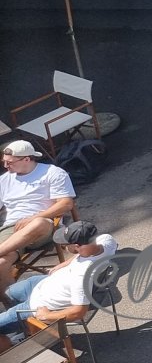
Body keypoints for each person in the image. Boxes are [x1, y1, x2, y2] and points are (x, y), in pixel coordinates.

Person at [0, 220, 117, 337]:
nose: (63, 246)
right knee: (7, 294)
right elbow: (87, 253)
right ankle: (24, 328)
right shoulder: (106, 242)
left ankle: (27, 333)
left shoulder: (82, 276)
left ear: (77, 246)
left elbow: (79, 311)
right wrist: (64, 264)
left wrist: (46, 316)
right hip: (43, 283)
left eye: (65, 244)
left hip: (38, 305)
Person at [0, 143, 75, 287]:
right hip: (12, 228)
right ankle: (13, 300)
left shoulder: (52, 173)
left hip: (43, 227)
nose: (5, 166)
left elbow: (66, 203)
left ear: (27, 159)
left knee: (38, 223)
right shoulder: (4, 180)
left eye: (9, 162)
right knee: (1, 263)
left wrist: (33, 218)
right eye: (3, 161)